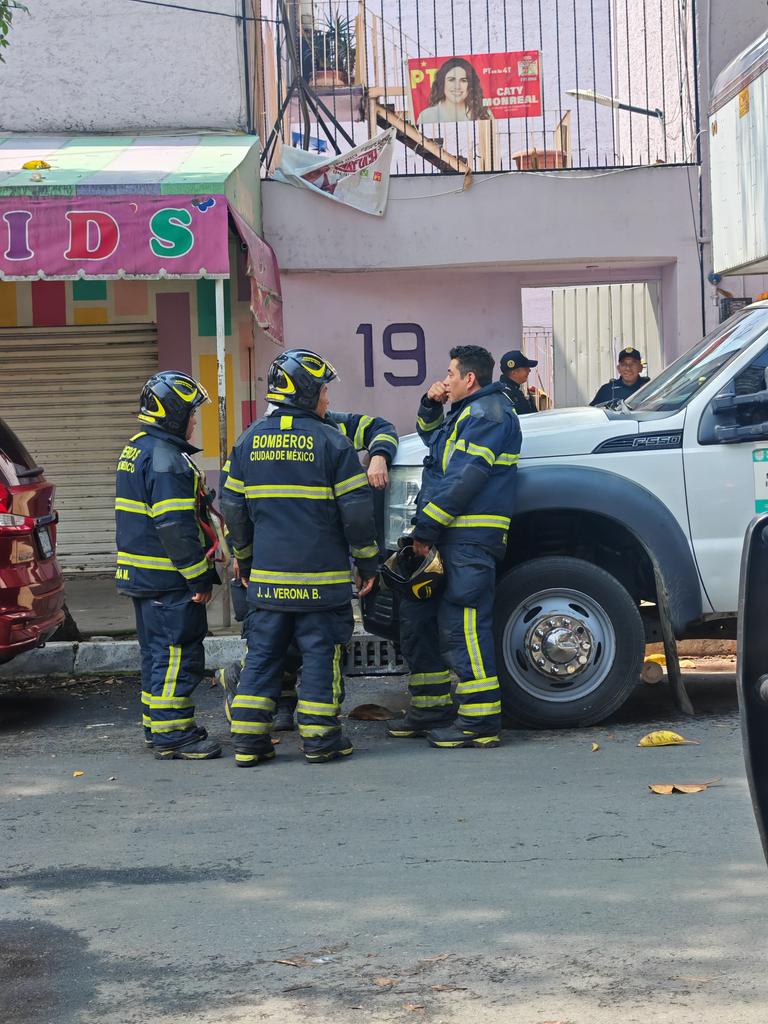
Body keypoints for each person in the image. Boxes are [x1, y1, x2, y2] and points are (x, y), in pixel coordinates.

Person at [220, 348, 379, 767]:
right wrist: (367, 562)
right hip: (321, 584)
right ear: (308, 392)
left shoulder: (248, 440)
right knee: (321, 657)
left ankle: (249, 744)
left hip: (269, 584)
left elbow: (232, 506)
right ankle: (321, 742)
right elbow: (357, 511)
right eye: (324, 389)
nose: (328, 399)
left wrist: (246, 558)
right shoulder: (332, 441)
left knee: (263, 657)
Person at [218, 409, 398, 731]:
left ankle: (263, 719)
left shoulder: (327, 427)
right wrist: (240, 555)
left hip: (275, 570)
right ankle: (286, 708)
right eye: (323, 391)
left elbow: (380, 425)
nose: (326, 398)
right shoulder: (312, 436)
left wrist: (379, 455)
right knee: (289, 644)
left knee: (275, 641)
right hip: (282, 568)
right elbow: (235, 509)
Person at [388, 345, 521, 749]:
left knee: (463, 624)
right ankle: (432, 707)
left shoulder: (490, 415)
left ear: (469, 379)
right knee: (420, 618)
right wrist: (430, 404)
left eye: (449, 374)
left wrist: (425, 529)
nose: (444, 380)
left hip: (467, 539)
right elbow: (433, 440)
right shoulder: (469, 413)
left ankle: (479, 721)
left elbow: (464, 477)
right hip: (448, 535)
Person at [115, 371, 221, 760]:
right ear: (174, 414)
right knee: (177, 654)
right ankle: (174, 735)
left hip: (145, 578)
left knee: (156, 654)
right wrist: (198, 576)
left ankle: (156, 725)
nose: (195, 420)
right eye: (191, 413)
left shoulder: (138, 448)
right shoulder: (166, 460)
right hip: (168, 578)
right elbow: (175, 527)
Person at [417, 57, 491, 125]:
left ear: (471, 85)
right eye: (451, 80)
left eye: (463, 80)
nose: (457, 86)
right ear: (442, 83)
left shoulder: (484, 114)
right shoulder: (426, 116)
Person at [498, 349, 539, 415]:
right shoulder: (505, 395)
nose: (529, 370)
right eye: (526, 368)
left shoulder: (513, 391)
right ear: (514, 373)